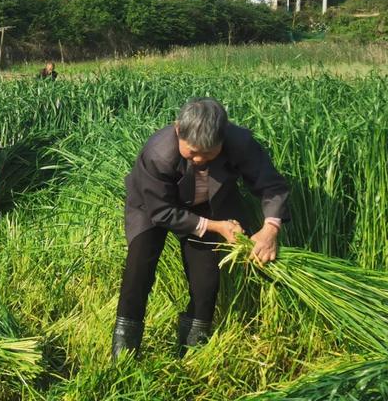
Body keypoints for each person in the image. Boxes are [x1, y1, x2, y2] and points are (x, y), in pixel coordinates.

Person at [112, 97, 289, 359]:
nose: (199, 159)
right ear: (177, 129)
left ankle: (191, 353)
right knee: (138, 272)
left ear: (223, 138)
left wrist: (270, 229)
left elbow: (272, 186)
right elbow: (161, 212)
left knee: (206, 283)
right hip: (151, 207)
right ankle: (123, 355)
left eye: (208, 153)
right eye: (192, 151)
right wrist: (218, 226)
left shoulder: (239, 142)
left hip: (209, 207)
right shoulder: (158, 153)